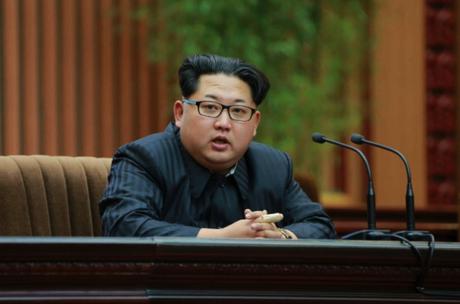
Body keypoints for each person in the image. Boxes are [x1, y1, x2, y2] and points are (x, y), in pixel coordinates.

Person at [99, 54, 335, 239]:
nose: (224, 124)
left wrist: (278, 235)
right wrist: (222, 238)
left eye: (239, 111)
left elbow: (320, 225)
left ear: (255, 124)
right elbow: (123, 226)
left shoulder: (272, 166)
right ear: (180, 113)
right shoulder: (142, 158)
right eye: (210, 107)